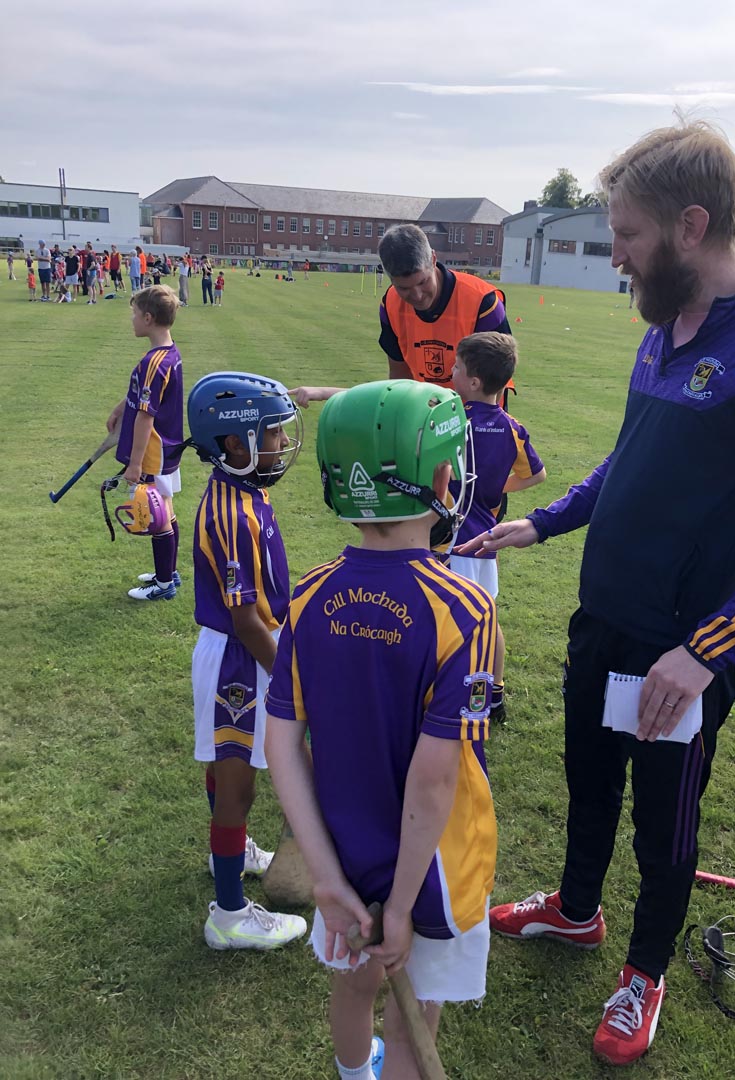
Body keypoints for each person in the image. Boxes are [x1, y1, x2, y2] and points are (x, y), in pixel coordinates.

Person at [456, 118, 735, 1065]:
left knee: (665, 826)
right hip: (601, 619)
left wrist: (705, 652)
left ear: (691, 226)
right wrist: (548, 519)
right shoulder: (664, 328)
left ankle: (644, 972)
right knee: (588, 783)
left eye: (626, 237)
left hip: (680, 654)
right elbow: (632, 459)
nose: (614, 258)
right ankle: (575, 912)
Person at [265, 380, 497, 1080]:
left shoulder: (308, 594)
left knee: (353, 983)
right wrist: (399, 906)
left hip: (344, 848)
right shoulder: (466, 610)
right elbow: (434, 777)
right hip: (428, 871)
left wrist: (330, 882)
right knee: (412, 1015)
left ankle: (351, 1071)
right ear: (441, 478)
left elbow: (280, 742)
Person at [185, 371, 307, 953]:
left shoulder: (244, 494)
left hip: (243, 649)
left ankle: (224, 855)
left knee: (231, 769)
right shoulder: (234, 514)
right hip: (241, 656)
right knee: (239, 783)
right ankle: (229, 914)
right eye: (273, 434)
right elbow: (247, 620)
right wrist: (293, 679)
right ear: (236, 443)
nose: (282, 443)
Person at [290, 224, 511, 409]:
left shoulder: (483, 302)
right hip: (425, 418)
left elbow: (495, 388)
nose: (417, 295)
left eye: (423, 282)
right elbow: (398, 381)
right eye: (403, 288)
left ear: (433, 259)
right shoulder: (390, 305)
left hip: (478, 423)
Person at [450, 332, 546, 723]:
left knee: (452, 621)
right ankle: (495, 694)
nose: (451, 373)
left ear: (473, 381)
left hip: (453, 540)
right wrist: (495, 485)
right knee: (487, 618)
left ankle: (451, 694)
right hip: (485, 539)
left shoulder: (449, 421)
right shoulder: (511, 427)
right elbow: (537, 475)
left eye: (456, 368)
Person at [106, 286, 184, 601]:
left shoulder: (154, 363)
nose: (132, 319)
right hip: (164, 449)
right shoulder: (166, 353)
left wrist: (135, 463)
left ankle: (163, 584)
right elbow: (138, 396)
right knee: (167, 510)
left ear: (149, 318)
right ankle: (169, 573)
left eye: (135, 314)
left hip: (154, 451)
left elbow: (145, 416)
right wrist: (118, 407)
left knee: (157, 516)